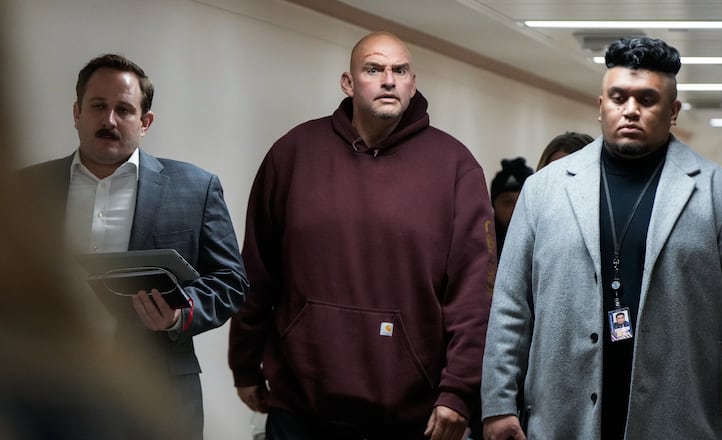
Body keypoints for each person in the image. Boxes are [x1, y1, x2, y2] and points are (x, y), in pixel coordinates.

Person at [481, 36, 722, 440]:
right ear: (600, 105)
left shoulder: (719, 193)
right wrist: (498, 402)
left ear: (672, 111)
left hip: (679, 410)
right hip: (562, 411)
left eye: (647, 99)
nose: (631, 110)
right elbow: (511, 304)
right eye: (618, 97)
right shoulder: (544, 190)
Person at [229, 31, 495, 440]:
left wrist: (459, 391)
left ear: (412, 82)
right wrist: (244, 363)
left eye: (399, 70)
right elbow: (258, 270)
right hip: (301, 408)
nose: (388, 80)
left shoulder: (456, 167)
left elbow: (474, 295)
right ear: (348, 83)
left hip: (411, 415)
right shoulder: (294, 154)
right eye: (373, 69)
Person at [19, 53, 249, 439]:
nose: (109, 120)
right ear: (77, 112)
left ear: (145, 122)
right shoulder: (26, 189)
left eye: (124, 109)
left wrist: (178, 315)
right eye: (98, 106)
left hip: (158, 395)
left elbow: (231, 281)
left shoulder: (196, 188)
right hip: (48, 390)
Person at [490, 157, 533, 258]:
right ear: (493, 205)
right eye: (507, 202)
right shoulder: (482, 248)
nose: (516, 209)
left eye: (523, 201)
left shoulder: (547, 242)